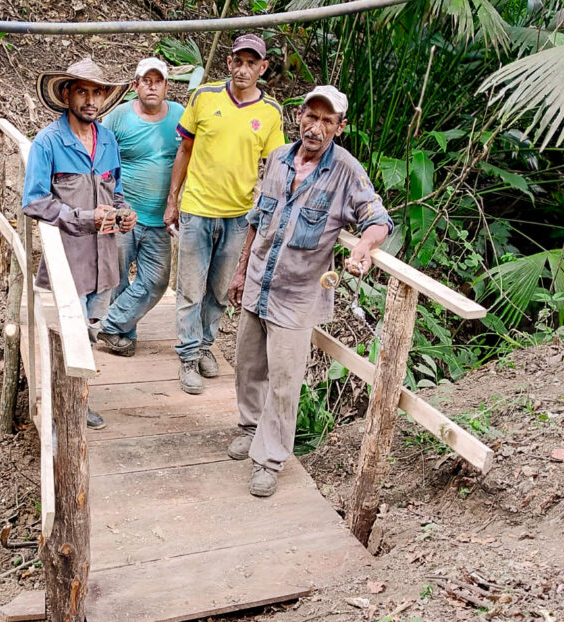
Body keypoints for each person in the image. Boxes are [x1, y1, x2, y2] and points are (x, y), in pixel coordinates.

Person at [227, 85, 394, 497]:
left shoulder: (347, 171)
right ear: (299, 115)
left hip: (297, 294)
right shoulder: (280, 157)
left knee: (284, 381)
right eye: (311, 116)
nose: (316, 127)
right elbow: (256, 219)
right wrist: (241, 268)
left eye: (327, 120)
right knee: (247, 366)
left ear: (341, 127)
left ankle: (269, 459)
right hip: (258, 280)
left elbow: (378, 219)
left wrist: (362, 246)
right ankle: (250, 426)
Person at [165, 34, 284, 395]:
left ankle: (204, 346)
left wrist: (268, 214)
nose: (244, 69)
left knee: (218, 290)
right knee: (189, 287)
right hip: (198, 208)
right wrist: (173, 199)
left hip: (238, 217)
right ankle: (187, 356)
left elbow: (276, 166)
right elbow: (185, 149)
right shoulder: (204, 97)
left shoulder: (270, 112)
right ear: (229, 63)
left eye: (253, 63)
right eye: (239, 61)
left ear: (262, 68)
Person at [22, 58, 137, 429]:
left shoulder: (108, 140)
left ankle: (76, 400)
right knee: (65, 335)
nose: (91, 99)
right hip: (68, 259)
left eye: (97, 92)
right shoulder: (49, 141)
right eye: (83, 91)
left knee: (87, 331)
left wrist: (124, 214)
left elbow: (115, 192)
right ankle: (63, 407)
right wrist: (83, 217)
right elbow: (35, 201)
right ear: (67, 94)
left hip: (104, 259)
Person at [96, 57, 184, 357]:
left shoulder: (180, 117)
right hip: (124, 215)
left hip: (161, 217)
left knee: (157, 280)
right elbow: (100, 157)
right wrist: (106, 203)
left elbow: (191, 155)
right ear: (136, 85)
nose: (152, 86)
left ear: (166, 86)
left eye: (158, 81)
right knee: (117, 277)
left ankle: (107, 326)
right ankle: (122, 335)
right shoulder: (119, 118)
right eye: (146, 80)